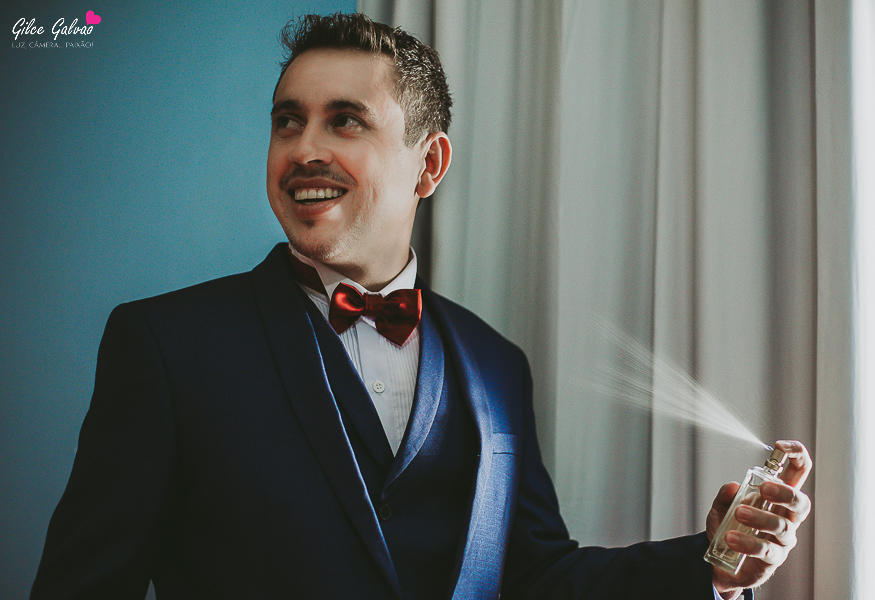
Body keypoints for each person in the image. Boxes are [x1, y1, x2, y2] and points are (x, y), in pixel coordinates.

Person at [31, 12, 812, 600]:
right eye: (287, 121)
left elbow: (533, 576)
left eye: (344, 120)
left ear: (429, 164)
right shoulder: (165, 344)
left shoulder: (496, 364)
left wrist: (710, 561)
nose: (303, 149)